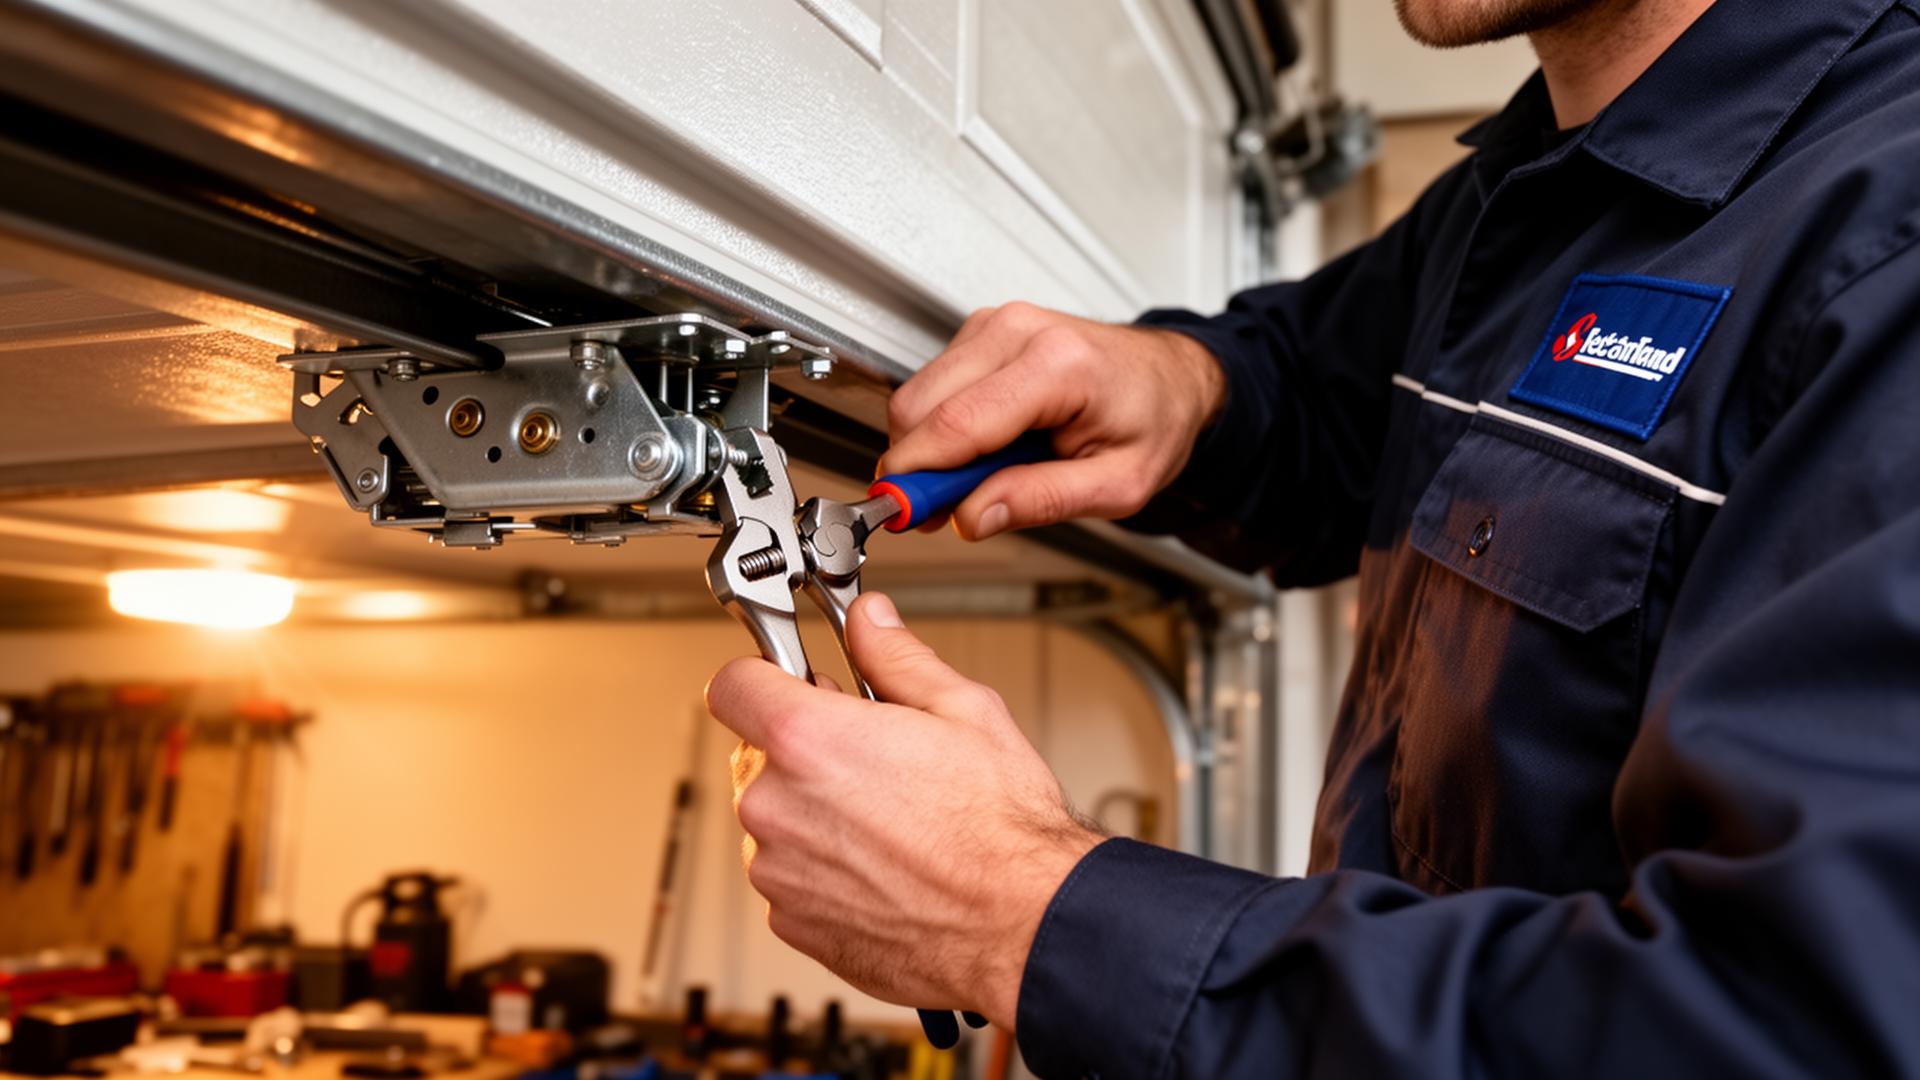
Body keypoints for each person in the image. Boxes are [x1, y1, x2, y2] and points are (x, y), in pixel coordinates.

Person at [705, 0, 1920, 1073]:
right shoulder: (1541, 176)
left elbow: (1797, 1031)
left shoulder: (1885, 246)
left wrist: (1021, 910)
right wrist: (1190, 383)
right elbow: (1339, 391)